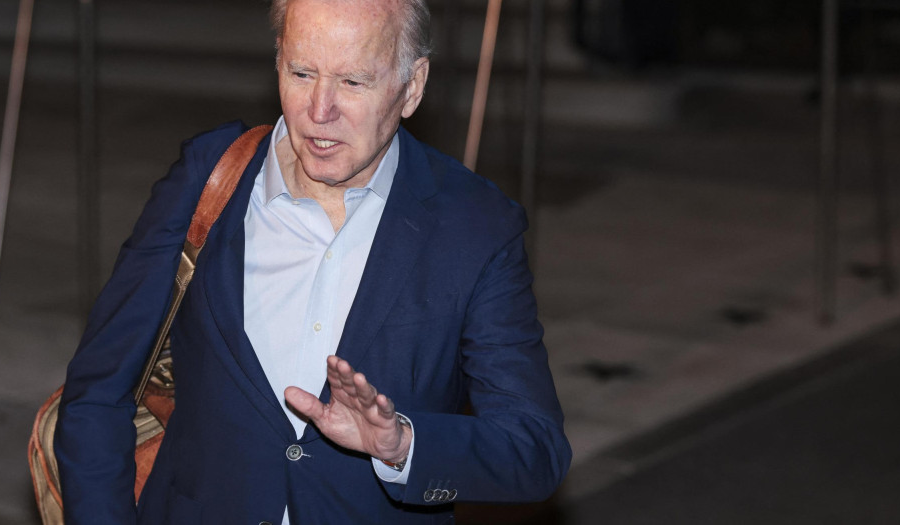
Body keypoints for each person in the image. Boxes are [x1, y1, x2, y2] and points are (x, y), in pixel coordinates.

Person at [54, 0, 571, 522]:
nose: (319, 110)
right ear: (278, 59)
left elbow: (535, 450)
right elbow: (98, 393)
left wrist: (402, 446)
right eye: (302, 73)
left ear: (412, 86)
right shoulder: (209, 181)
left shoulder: (475, 226)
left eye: (352, 82)